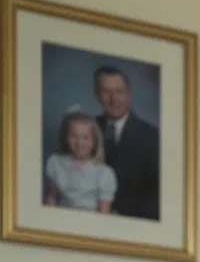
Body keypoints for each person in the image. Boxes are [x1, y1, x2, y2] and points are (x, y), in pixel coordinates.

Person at [94, 65, 159, 220]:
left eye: (119, 92)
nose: (113, 99)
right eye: (106, 92)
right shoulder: (86, 129)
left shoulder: (152, 136)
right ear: (96, 95)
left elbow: (158, 194)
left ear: (129, 95)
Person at [44, 110, 116, 212]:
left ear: (94, 141)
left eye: (85, 138)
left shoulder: (103, 172)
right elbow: (52, 198)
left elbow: (104, 212)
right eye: (73, 136)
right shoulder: (55, 163)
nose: (79, 142)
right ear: (66, 137)